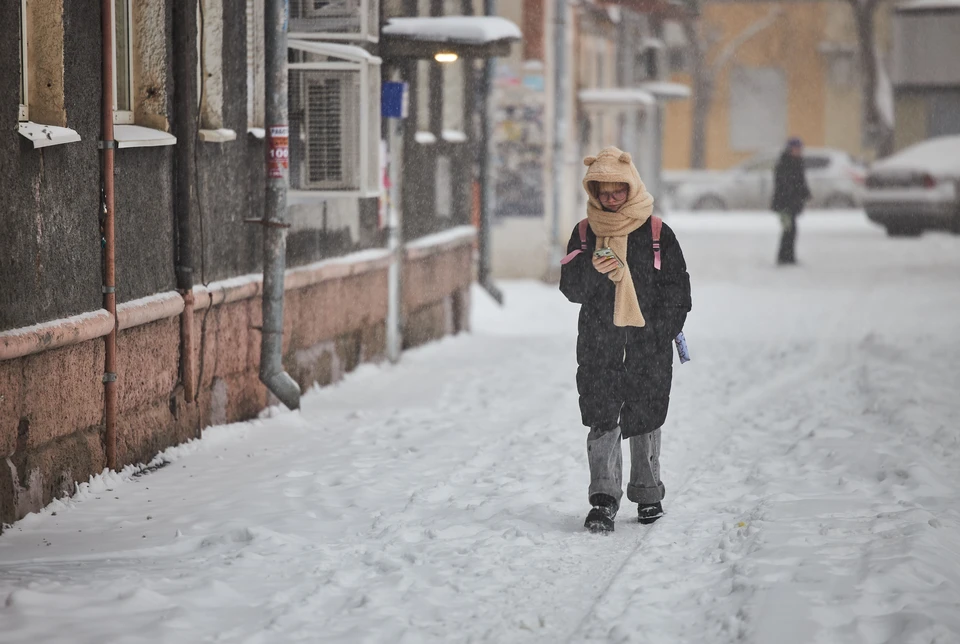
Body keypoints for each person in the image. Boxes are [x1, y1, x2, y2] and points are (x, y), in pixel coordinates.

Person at [559, 146, 692, 533]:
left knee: (646, 413)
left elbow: (677, 290)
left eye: (618, 191)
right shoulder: (585, 233)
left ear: (631, 188)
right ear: (593, 191)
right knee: (602, 413)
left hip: (647, 343)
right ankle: (603, 498)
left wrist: (660, 331)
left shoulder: (656, 233)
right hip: (599, 340)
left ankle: (648, 492)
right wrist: (592, 268)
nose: (611, 199)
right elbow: (572, 289)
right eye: (603, 192)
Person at [771, 137, 812, 265]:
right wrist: (793, 193)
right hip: (784, 203)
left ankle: (789, 256)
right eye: (796, 149)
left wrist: (805, 193)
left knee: (792, 230)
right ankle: (784, 257)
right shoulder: (784, 164)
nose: (798, 151)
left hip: (793, 202)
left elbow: (801, 181)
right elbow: (784, 184)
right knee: (788, 229)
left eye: (799, 149)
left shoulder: (798, 163)